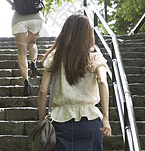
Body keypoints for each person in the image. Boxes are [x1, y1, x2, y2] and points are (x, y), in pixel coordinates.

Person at [38, 14, 112, 150]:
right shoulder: (94, 58)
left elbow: (43, 90)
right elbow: (102, 82)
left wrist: (42, 120)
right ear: (87, 33)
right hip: (89, 120)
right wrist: (106, 118)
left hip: (60, 121)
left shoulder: (55, 57)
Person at [1, 0, 45, 96]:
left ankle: (26, 82)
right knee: (32, 43)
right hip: (35, 18)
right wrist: (37, 2)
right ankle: (34, 63)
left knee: (21, 53)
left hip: (19, 19)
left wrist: (12, 3)